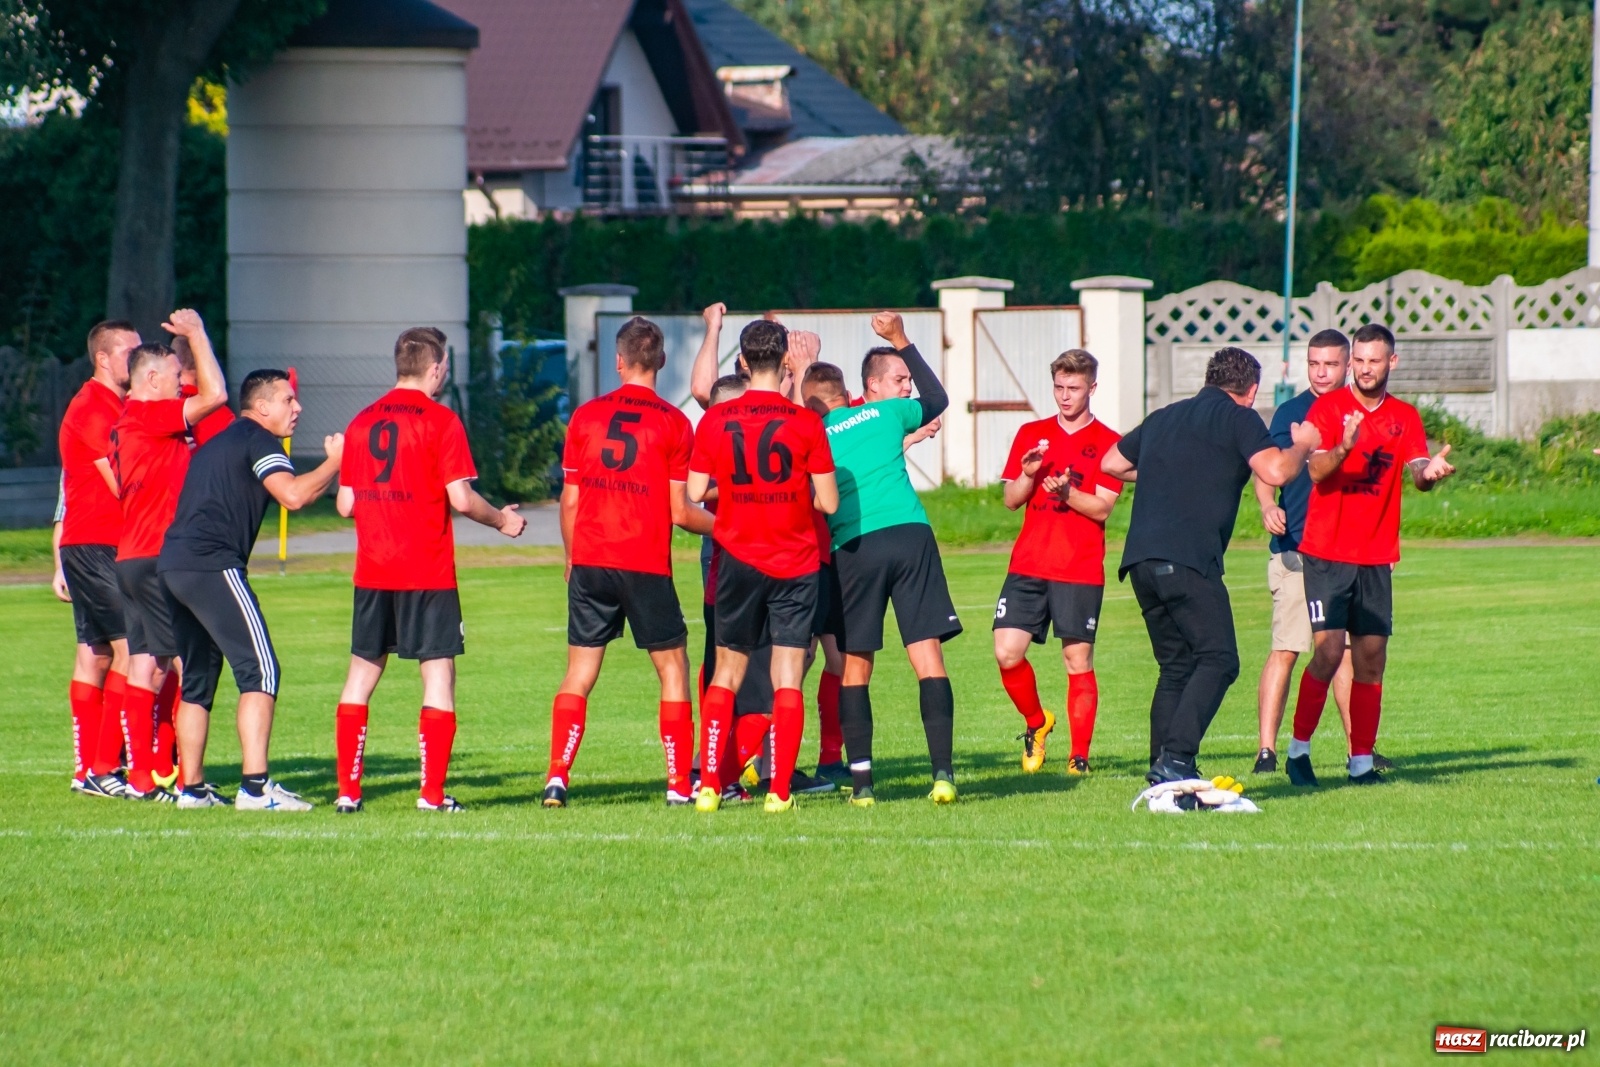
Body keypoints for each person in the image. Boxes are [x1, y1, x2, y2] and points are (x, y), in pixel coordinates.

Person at [1101, 347, 1319, 784]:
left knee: (1176, 666)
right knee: (1219, 660)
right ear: (1251, 389)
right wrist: (1304, 445)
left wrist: (1172, 470)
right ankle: (1178, 757)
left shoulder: (1165, 415)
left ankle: (1163, 770)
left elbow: (1111, 462)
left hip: (1141, 561)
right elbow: (1276, 471)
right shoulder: (1238, 418)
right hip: (1188, 558)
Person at [332, 327, 526, 814]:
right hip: (426, 570)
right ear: (436, 367)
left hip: (373, 570)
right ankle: (432, 795)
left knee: (360, 677)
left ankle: (347, 793)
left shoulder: (360, 423)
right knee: (437, 676)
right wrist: (503, 519)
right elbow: (461, 499)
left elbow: (344, 504)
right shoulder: (441, 421)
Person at [543, 316, 713, 808]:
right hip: (643, 562)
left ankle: (557, 777)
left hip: (591, 559)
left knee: (580, 672)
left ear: (618, 362)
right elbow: (681, 512)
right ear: (660, 361)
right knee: (673, 669)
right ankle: (680, 785)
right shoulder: (676, 423)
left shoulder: (585, 418)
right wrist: (731, 528)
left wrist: (572, 557)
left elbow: (569, 502)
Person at [159, 369, 344, 810]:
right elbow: (294, 496)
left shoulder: (218, 441)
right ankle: (256, 788)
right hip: (210, 565)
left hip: (173, 566)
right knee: (262, 671)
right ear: (261, 407)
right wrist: (337, 461)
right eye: (288, 400)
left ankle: (192, 789)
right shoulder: (258, 440)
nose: (296, 408)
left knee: (198, 683)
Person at [1285, 323, 1456, 786]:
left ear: (1391, 363)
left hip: (1376, 556)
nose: (1363, 369)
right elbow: (1316, 470)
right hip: (1326, 552)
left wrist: (1430, 473)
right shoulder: (1330, 407)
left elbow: (1417, 470)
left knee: (1372, 659)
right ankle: (1298, 751)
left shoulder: (1404, 416)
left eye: (1373, 361)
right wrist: (1343, 445)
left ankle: (1360, 762)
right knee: (1325, 653)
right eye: (1357, 360)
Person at [802, 311, 957, 806]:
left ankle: (863, 785)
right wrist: (902, 339)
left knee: (855, 666)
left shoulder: (817, 432)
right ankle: (943, 776)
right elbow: (938, 399)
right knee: (927, 656)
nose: (907, 389)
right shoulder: (890, 414)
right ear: (864, 388)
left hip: (855, 546)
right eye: (899, 380)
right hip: (910, 536)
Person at [687, 318, 839, 813]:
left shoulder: (715, 419)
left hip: (736, 559)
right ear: (785, 361)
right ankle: (778, 792)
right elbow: (830, 504)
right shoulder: (806, 423)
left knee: (726, 672)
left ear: (745, 362)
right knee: (788, 674)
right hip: (794, 562)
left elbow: (692, 494)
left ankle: (709, 785)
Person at [108, 311, 228, 800]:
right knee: (188, 661)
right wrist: (198, 334)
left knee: (146, 664)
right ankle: (187, 779)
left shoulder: (124, 422)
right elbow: (216, 395)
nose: (183, 386)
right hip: (159, 555)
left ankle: (143, 778)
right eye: (176, 379)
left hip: (131, 555)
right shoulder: (149, 415)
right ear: (151, 379)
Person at [992, 349, 1123, 776]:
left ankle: (1079, 757)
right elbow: (1010, 501)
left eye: (1074, 388)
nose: (1065, 396)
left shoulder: (1109, 443)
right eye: (1059, 388)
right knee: (1006, 653)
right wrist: (1029, 475)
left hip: (1079, 568)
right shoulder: (1032, 433)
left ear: (1092, 388)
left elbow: (1103, 508)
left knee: (1077, 661)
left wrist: (1067, 494)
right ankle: (1037, 723)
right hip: (1029, 563)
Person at [1253, 331, 1364, 774]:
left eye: (1330, 364)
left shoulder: (1362, 413)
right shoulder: (1291, 411)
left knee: (1346, 654)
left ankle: (1360, 751)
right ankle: (1266, 750)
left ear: (1349, 365)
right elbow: (1266, 465)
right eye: (1314, 363)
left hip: (1351, 552)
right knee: (1287, 649)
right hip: (1297, 549)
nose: (1321, 372)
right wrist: (1265, 506)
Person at [58, 320, 138, 798]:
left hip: (90, 543)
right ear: (103, 358)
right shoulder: (94, 408)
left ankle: (86, 767)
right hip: (97, 544)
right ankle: (103, 769)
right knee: (133, 649)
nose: (138, 355)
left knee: (96, 653)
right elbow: (122, 483)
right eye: (129, 350)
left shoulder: (115, 404)